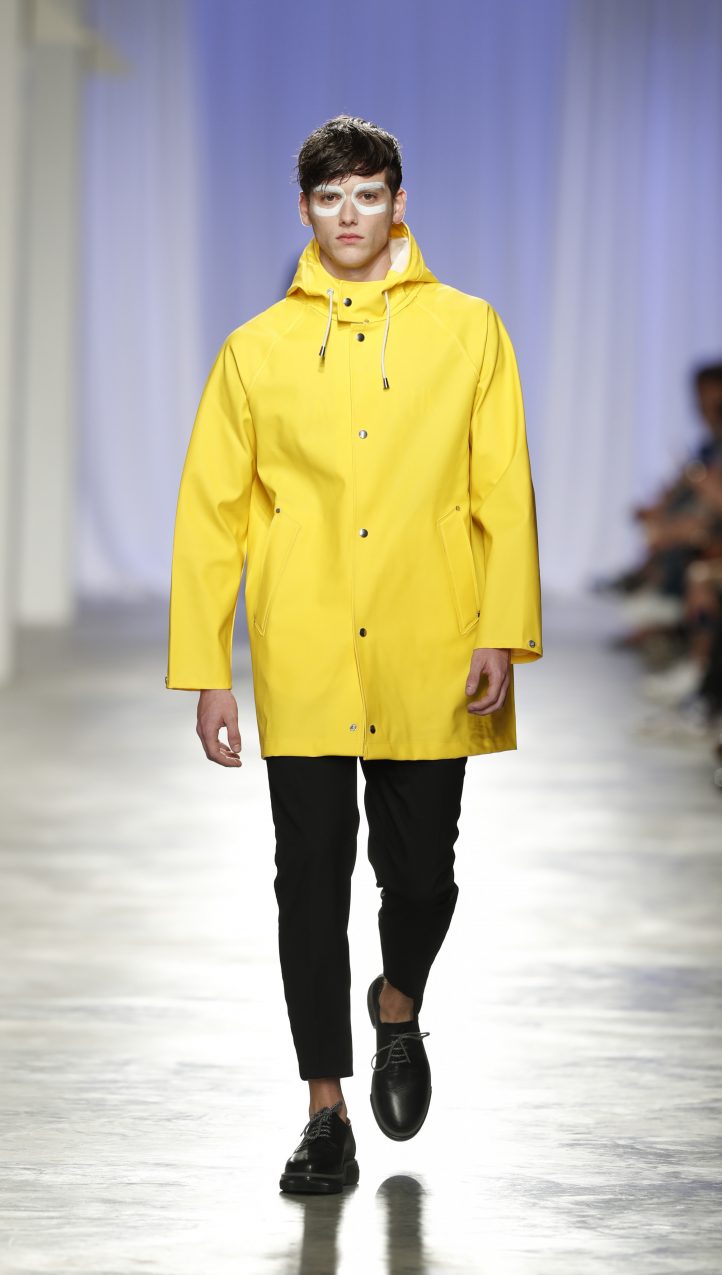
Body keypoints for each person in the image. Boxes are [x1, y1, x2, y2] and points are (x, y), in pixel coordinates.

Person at [164, 115, 543, 1193]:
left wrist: (500, 628)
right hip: (307, 644)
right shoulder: (255, 350)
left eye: (368, 195)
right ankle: (324, 1109)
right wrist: (207, 671)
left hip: (432, 637)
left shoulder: (470, 330)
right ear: (305, 210)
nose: (349, 215)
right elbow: (212, 515)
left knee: (422, 874)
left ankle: (397, 1003)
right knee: (309, 881)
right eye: (330, 198)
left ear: (397, 204)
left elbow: (502, 487)